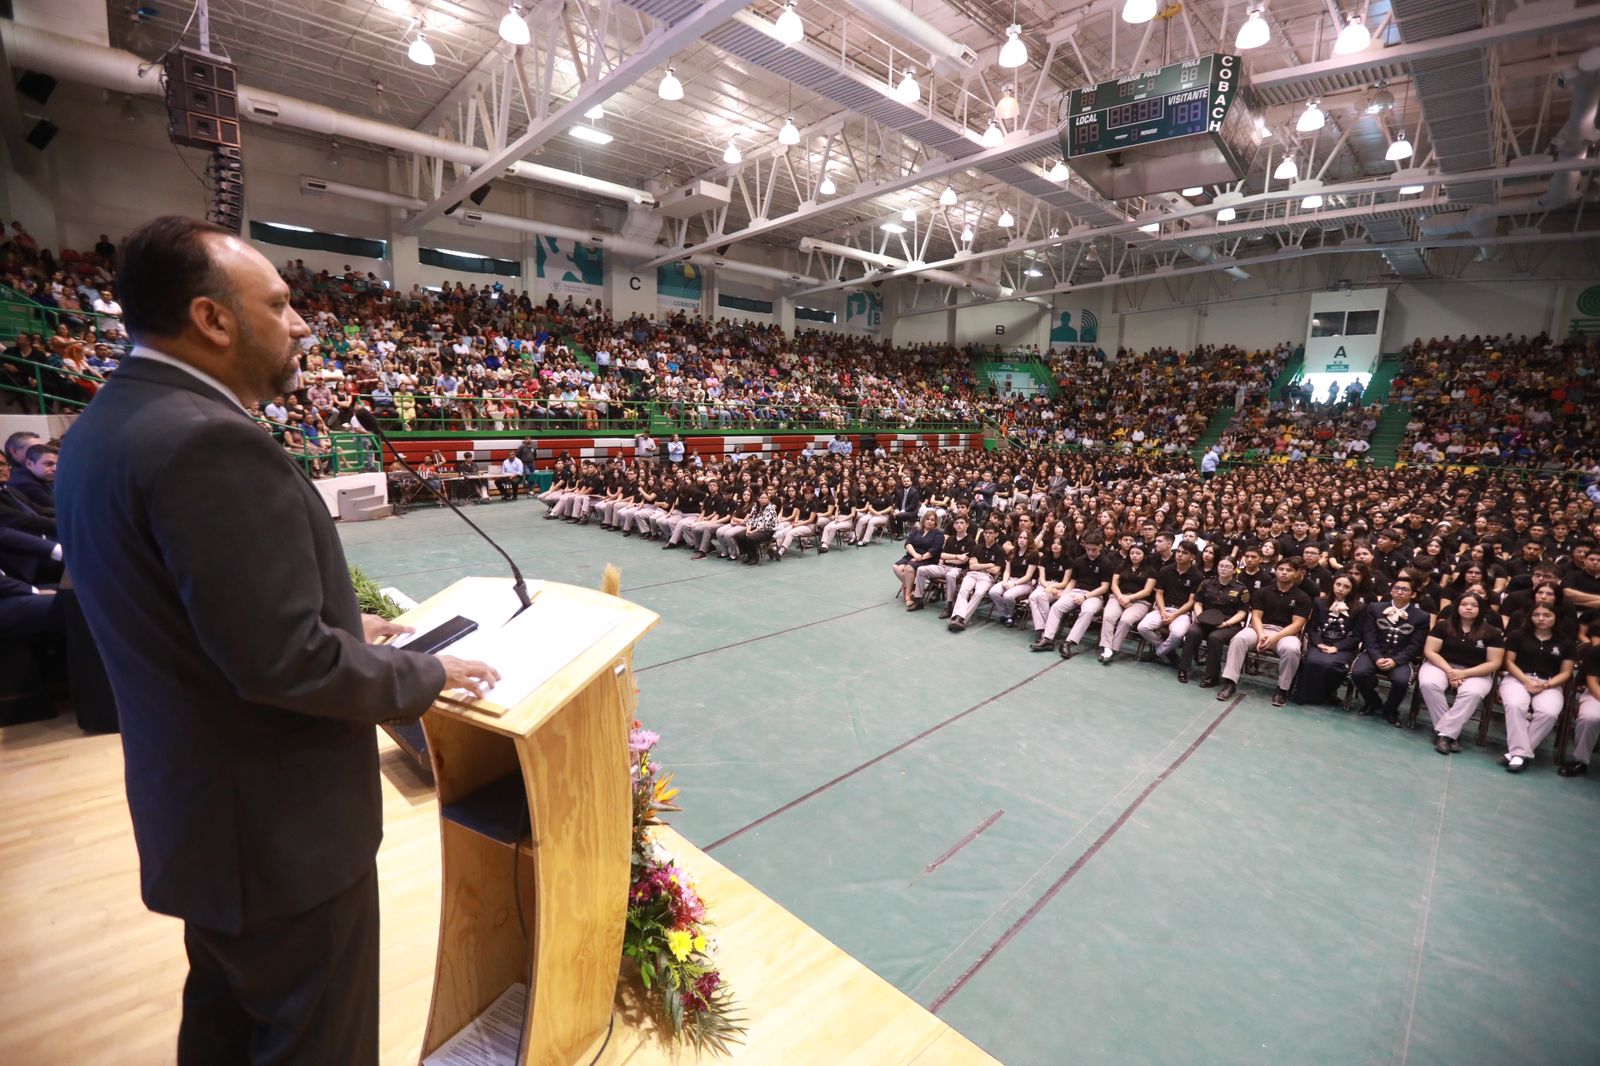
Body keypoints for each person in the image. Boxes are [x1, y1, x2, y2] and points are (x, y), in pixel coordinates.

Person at [55, 216, 500, 1066]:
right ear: (212, 320)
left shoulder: (105, 426)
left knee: (226, 1033)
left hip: (203, 822)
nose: (302, 324)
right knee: (312, 1045)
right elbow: (283, 663)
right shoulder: (208, 439)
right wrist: (423, 672)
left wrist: (339, 622)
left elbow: (183, 615)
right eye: (282, 303)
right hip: (276, 840)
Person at [1419, 591, 1506, 755]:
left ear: (1481, 609)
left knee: (1472, 692)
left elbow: (1494, 662)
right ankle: (1452, 733)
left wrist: (1464, 674)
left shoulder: (1491, 632)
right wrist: (1451, 672)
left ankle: (1444, 734)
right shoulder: (1443, 626)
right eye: (1464, 604)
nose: (1469, 608)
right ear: (1457, 606)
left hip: (1476, 671)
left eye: (1474, 605)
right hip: (1442, 665)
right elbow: (1430, 651)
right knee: (1429, 683)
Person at [1218, 557, 1312, 705]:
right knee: (1239, 639)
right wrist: (1262, 635)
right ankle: (1230, 682)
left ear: (1296, 574)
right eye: (1281, 569)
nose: (1284, 573)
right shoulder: (1263, 592)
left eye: (1289, 570)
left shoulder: (1303, 597)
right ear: (1276, 571)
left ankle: (1282, 689)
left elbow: (1297, 625)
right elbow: (1255, 616)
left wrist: (1274, 638)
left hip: (1285, 633)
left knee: (1292, 649)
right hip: (1260, 629)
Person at [1497, 604, 1575, 772]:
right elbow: (1509, 662)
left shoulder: (1566, 643)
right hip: (1518, 678)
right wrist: (1527, 681)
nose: (1541, 619)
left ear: (1555, 617)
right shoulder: (1518, 635)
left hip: (1549, 683)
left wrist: (1546, 684)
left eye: (1547, 615)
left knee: (1549, 713)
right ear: (1530, 617)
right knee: (1515, 705)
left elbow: (1566, 673)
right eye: (1537, 615)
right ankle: (1520, 754)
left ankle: (1516, 754)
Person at [1350, 571, 1430, 725]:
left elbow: (1416, 645)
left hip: (1400, 658)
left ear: (1413, 595)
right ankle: (1373, 702)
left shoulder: (1421, 616)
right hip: (1374, 653)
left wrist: (1396, 660)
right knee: (1358, 673)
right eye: (1396, 588)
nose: (1399, 592)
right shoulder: (1375, 608)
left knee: (1401, 681)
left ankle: (1390, 710)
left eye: (1405, 589)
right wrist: (1377, 657)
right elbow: (1369, 636)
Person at [1179, 556, 1250, 686]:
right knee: (1192, 632)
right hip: (1205, 620)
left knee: (1214, 638)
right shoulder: (1206, 583)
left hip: (1229, 623)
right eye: (1221, 566)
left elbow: (1242, 613)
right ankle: (1183, 669)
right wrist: (1199, 617)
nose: (1223, 569)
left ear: (1234, 570)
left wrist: (1226, 623)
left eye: (1228, 567)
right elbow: (1198, 602)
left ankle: (1212, 676)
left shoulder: (1241, 588)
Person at [1298, 572, 1364, 705]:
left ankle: (1327, 695)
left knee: (1332, 665)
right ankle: (1306, 695)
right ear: (1332, 585)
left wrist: (1337, 647)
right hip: (1320, 642)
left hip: (1342, 646)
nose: (1340, 588)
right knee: (1311, 661)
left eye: (1346, 586)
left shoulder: (1360, 607)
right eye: (1338, 584)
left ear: (1352, 590)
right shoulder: (1319, 602)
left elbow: (1357, 635)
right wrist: (1319, 643)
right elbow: (1311, 628)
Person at [1099, 542, 1158, 665]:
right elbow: (1114, 584)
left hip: (1139, 601)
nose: (1134, 556)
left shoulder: (1151, 571)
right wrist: (1121, 597)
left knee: (1125, 620)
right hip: (1118, 597)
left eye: (1138, 553)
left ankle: (1114, 648)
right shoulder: (1121, 567)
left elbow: (1147, 591)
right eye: (1132, 553)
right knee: (1108, 616)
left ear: (1144, 555)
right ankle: (1107, 648)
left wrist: (1129, 598)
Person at [1560, 634, 1600, 778]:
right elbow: (1592, 682)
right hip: (1597, 693)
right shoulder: (1596, 651)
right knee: (1589, 718)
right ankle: (1581, 760)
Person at [895, 511, 945, 607]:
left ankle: (907, 595)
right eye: (927, 519)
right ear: (923, 519)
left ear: (936, 522)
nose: (929, 521)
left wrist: (920, 558)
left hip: (928, 559)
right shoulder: (916, 530)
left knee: (909, 568)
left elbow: (934, 550)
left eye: (932, 520)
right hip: (912, 556)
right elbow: (908, 544)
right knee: (896, 567)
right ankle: (913, 588)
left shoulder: (938, 534)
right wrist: (915, 555)